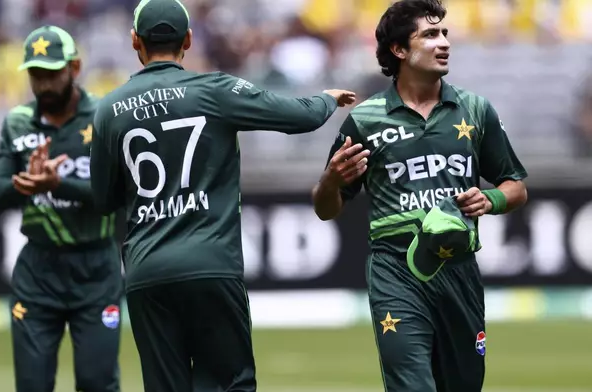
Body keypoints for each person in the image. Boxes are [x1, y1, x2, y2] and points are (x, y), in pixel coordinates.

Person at [89, 0, 355, 390]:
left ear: (135, 42)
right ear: (189, 40)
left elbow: (102, 199)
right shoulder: (215, 89)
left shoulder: (109, 109)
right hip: (211, 263)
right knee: (232, 384)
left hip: (147, 272)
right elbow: (301, 117)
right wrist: (327, 98)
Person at [311, 1, 528, 391]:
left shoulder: (476, 110)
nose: (444, 42)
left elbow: (515, 186)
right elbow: (327, 209)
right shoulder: (365, 119)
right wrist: (328, 182)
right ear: (399, 50)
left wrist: (491, 200)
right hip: (396, 274)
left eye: (444, 33)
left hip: (459, 273)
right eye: (430, 34)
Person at [0, 25, 122, 392]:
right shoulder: (17, 122)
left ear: (74, 68)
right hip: (38, 273)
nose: (44, 84)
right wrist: (26, 184)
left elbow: (116, 194)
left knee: (98, 383)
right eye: (36, 75)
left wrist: (58, 184)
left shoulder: (105, 117)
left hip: (97, 271)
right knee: (32, 385)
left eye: (52, 74)